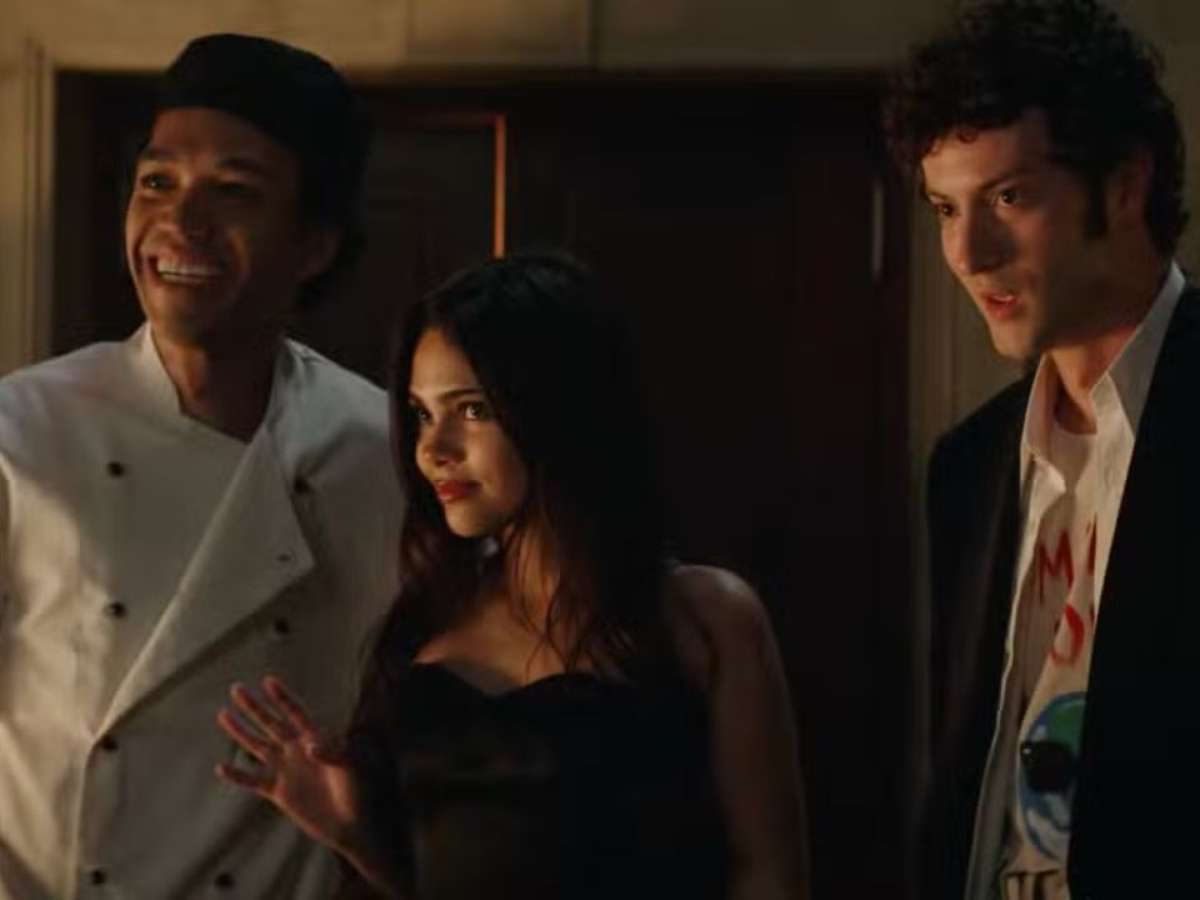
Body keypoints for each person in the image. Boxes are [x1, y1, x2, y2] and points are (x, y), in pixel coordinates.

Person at [215, 254, 811, 899]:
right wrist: (354, 833)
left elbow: (771, 877)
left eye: (471, 409)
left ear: (559, 407)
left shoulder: (709, 617)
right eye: (421, 413)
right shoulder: (421, 624)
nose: (433, 449)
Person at [0, 34, 401, 899]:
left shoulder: (384, 452)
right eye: (158, 183)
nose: (180, 223)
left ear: (316, 244)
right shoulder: (22, 432)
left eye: (234, 191)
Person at [884, 1, 1198, 897]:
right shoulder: (969, 464)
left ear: (1125, 186)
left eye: (1010, 198)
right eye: (945, 208)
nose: (967, 253)